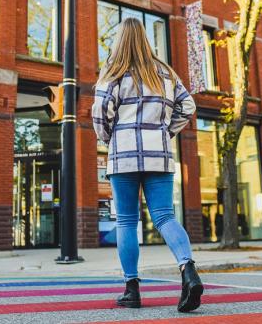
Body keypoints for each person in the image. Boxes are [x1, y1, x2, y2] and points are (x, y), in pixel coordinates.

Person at [92, 17, 203, 312]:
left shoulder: (113, 71)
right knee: (165, 217)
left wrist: (109, 138)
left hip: (124, 154)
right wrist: (166, 131)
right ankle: (188, 270)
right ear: (145, 40)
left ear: (119, 41)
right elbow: (188, 106)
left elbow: (101, 112)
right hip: (160, 154)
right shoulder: (165, 72)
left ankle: (132, 290)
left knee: (127, 221)